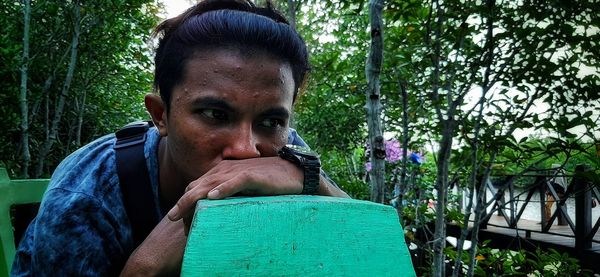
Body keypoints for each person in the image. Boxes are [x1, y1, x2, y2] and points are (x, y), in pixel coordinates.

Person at [12, 0, 349, 275]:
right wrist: (145, 268)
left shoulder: (286, 152)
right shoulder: (86, 198)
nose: (247, 151)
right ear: (161, 115)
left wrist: (313, 178)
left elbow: (367, 241)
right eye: (216, 115)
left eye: (272, 120)